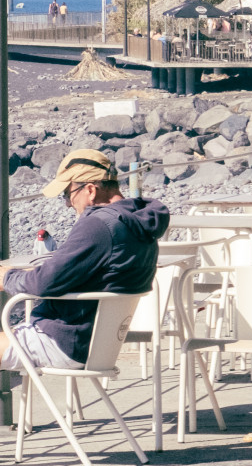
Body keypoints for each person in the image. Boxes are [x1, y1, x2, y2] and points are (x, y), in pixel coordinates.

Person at [0, 150, 168, 374]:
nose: (68, 204)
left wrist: (7, 277)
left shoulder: (99, 225)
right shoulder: (138, 223)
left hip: (64, 341)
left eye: (68, 194)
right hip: (100, 344)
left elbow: (44, 283)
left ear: (90, 190)